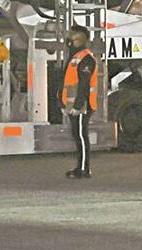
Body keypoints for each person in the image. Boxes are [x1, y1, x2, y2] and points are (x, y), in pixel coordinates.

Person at [62, 26, 97, 179]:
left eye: (71, 38)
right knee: (77, 136)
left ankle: (84, 169)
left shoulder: (86, 58)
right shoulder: (75, 57)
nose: (68, 41)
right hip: (74, 104)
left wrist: (77, 106)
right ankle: (81, 167)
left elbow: (84, 84)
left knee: (81, 137)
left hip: (83, 105)